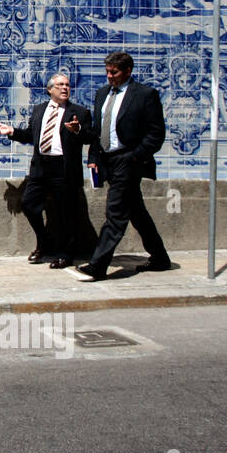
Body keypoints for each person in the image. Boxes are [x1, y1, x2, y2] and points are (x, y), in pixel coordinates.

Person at [72, 52, 171, 281]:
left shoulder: (145, 95)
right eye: (107, 72)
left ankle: (98, 265)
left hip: (129, 160)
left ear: (127, 71)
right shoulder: (102, 94)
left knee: (115, 214)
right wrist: (91, 151)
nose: (109, 76)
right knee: (137, 212)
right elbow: (98, 132)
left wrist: (136, 157)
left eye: (114, 72)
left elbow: (156, 133)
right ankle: (160, 257)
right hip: (108, 160)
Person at [0, 74, 93, 269]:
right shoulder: (40, 110)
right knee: (29, 204)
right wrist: (12, 132)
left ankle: (65, 254)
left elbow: (90, 137)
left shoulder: (79, 113)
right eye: (60, 85)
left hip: (63, 168)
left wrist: (78, 130)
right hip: (41, 166)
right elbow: (32, 135)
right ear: (50, 89)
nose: (65, 88)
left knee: (66, 213)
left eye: (67, 85)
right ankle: (44, 241)